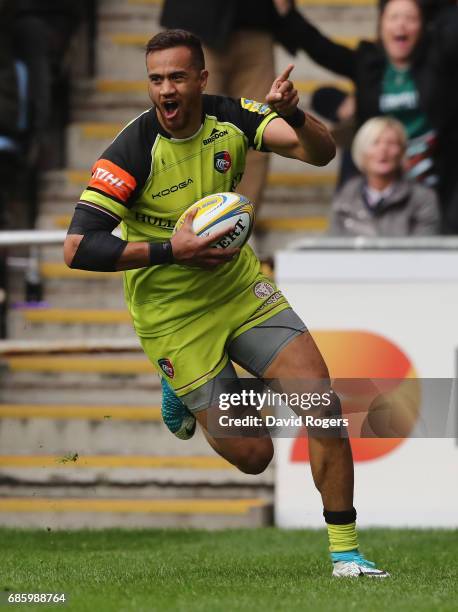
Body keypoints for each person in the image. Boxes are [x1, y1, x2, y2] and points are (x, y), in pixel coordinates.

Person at [64, 29, 388, 578]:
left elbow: (321, 153)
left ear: (201, 79)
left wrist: (296, 114)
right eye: (156, 79)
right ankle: (185, 389)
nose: (165, 90)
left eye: (177, 77)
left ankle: (346, 554)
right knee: (254, 456)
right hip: (173, 317)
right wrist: (174, 249)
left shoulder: (234, 117)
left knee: (322, 402)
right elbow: (77, 247)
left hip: (239, 290)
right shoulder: (131, 150)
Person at [282, 0, 458, 231]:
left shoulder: (441, 60)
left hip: (436, 168)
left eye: (410, 18)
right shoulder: (367, 62)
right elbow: (321, 49)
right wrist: (287, 13)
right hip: (380, 165)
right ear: (381, 25)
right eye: (393, 18)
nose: (401, 25)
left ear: (423, 26)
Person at [160, 0, 296, 210]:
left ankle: (240, 220)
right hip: (196, 24)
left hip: (254, 23)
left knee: (260, 129)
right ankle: (186, 217)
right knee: (188, 128)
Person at [329, 116, 439, 236]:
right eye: (375, 143)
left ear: (402, 151)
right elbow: (334, 247)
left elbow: (424, 249)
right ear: (361, 150)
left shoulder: (422, 198)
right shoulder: (346, 196)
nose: (383, 149)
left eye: (391, 143)